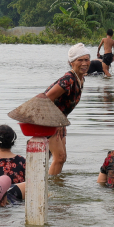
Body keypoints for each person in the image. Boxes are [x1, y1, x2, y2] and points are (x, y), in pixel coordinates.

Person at [42, 44, 88, 175]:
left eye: (87, 59)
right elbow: (45, 100)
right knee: (60, 157)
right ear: (71, 62)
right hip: (48, 120)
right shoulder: (68, 80)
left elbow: (62, 104)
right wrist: (56, 122)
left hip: (58, 121)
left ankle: (49, 184)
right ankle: (51, 189)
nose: (84, 63)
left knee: (60, 158)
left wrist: (61, 121)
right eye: (80, 60)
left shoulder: (80, 79)